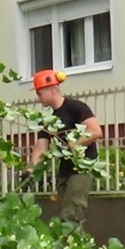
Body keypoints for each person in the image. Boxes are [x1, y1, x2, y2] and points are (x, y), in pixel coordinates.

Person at [27, 69, 103, 227]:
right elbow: (41, 146)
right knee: (66, 216)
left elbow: (95, 131)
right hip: (65, 170)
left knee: (70, 217)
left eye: (40, 93)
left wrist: (73, 144)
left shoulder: (76, 108)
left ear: (52, 90)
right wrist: (31, 169)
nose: (38, 98)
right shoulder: (48, 119)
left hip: (82, 168)